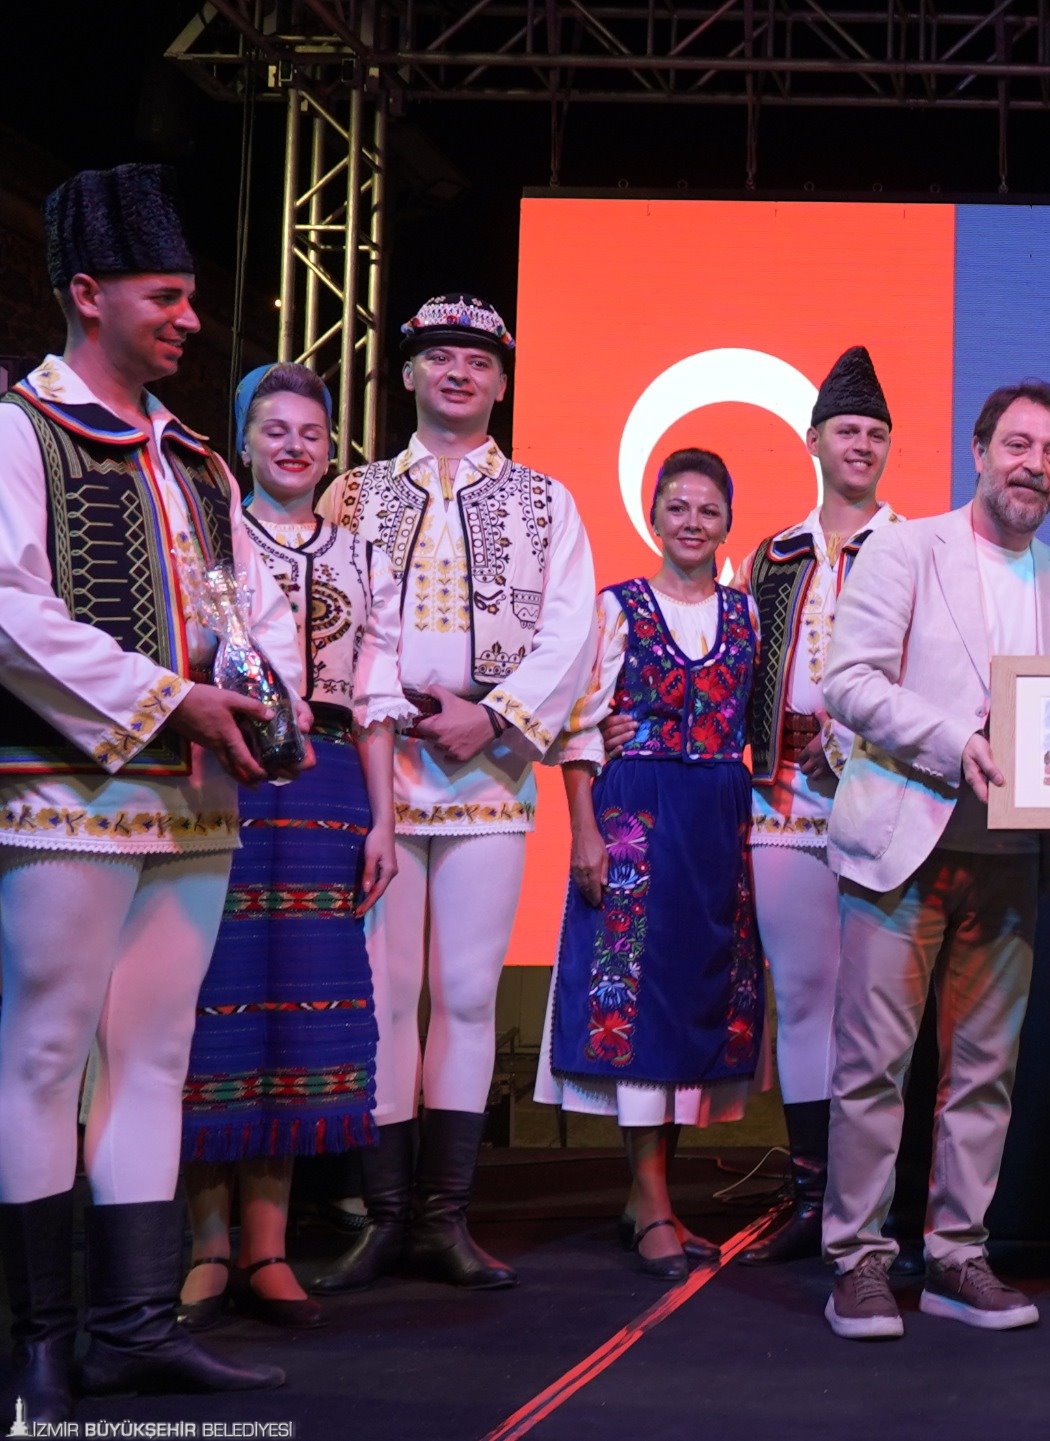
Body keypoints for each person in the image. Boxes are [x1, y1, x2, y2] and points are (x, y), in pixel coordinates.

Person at [0, 163, 298, 1425]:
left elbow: (248, 607)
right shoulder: (21, 429)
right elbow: (7, 608)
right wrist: (173, 697)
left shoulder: (199, 463)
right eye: (165, 296)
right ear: (88, 294)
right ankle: (40, 1340)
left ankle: (131, 1328)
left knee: (155, 1055)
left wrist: (268, 699)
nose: (190, 316)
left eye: (186, 295)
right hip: (66, 789)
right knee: (42, 1053)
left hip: (193, 797)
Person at [315, 293, 598, 1294]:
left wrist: (496, 716)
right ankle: (386, 1216)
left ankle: (445, 1218)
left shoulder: (545, 499)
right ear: (406, 373)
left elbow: (571, 630)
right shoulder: (352, 493)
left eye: (477, 361)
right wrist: (376, 713)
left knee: (470, 995)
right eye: (439, 356)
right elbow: (325, 617)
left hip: (488, 772)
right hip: (380, 769)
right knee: (387, 992)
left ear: (503, 381)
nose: (459, 372)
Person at [818, 380, 1050, 1341]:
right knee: (872, 1067)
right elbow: (846, 681)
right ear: (979, 451)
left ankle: (955, 1255)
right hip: (904, 844)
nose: (1033, 465)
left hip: (1010, 854)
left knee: (983, 1072)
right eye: (1018, 444)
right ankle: (857, 1260)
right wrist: (953, 740)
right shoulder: (905, 547)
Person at [176, 364, 405, 1334]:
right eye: (274, 430)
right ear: (244, 442)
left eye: (311, 431)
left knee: (297, 1013)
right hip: (225, 773)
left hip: (327, 786)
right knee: (215, 1004)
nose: (295, 446)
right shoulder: (207, 541)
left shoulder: (363, 556)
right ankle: (206, 1245)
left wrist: (383, 818)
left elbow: (378, 696)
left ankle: (267, 1248)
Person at [540, 449, 765, 1281]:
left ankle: (651, 1200)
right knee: (634, 1006)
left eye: (709, 509)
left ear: (728, 522)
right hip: (635, 815)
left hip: (716, 822)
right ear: (654, 516)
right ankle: (652, 1199)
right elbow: (579, 729)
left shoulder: (746, 614)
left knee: (692, 1005)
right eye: (678, 506)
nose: (693, 522)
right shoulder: (618, 607)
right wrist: (584, 833)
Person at [733, 345, 904, 1267]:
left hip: (886, 797)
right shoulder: (773, 554)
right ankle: (811, 1196)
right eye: (847, 430)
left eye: (876, 433)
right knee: (801, 995)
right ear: (813, 441)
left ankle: (874, 1201)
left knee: (878, 1007)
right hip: (785, 797)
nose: (862, 445)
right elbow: (739, 667)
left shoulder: (915, 547)